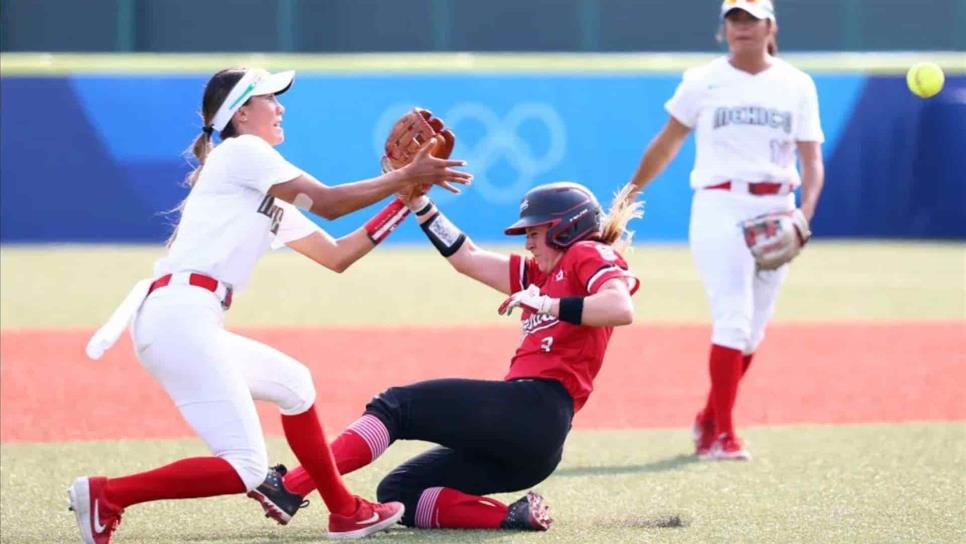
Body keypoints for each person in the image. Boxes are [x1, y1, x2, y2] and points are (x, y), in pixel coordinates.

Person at [69, 67, 471, 544]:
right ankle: (108, 493)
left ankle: (344, 511)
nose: (280, 107)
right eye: (269, 99)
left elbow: (337, 255)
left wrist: (404, 199)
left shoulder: (265, 191)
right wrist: (405, 175)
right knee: (245, 468)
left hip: (186, 318)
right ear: (241, 113)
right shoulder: (243, 153)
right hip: (178, 317)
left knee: (295, 384)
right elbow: (327, 202)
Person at [247, 181, 642, 531]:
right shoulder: (542, 273)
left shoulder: (584, 253)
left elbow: (620, 307)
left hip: (536, 408)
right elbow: (466, 257)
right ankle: (512, 517)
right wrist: (421, 205)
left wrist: (548, 305)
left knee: (395, 407)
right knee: (401, 491)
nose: (527, 243)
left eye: (535, 232)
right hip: (533, 445)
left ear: (564, 228)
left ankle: (293, 486)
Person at [623, 0, 825, 460]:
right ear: (724, 29)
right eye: (734, 19)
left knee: (752, 333)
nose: (742, 27)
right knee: (733, 319)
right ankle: (723, 437)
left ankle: (709, 417)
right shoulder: (703, 80)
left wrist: (804, 214)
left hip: (777, 205)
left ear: (770, 26)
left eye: (751, 19)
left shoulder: (796, 84)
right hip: (719, 203)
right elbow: (669, 140)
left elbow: (811, 160)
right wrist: (632, 190)